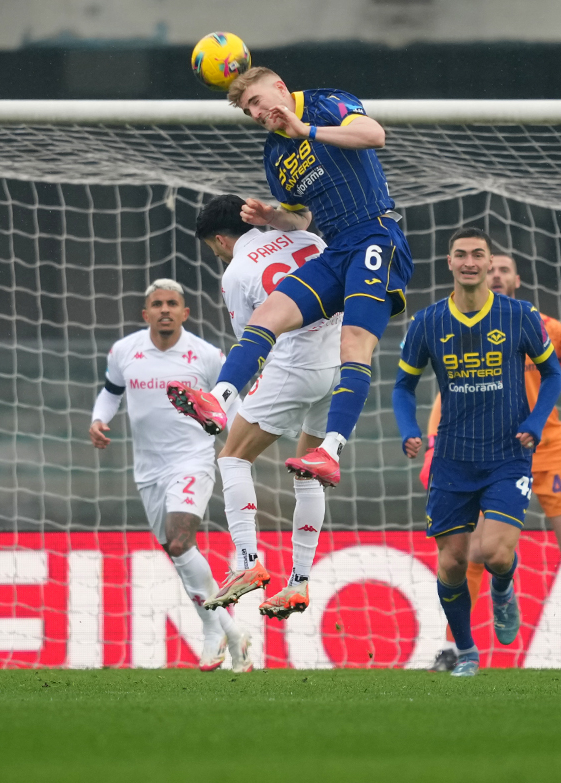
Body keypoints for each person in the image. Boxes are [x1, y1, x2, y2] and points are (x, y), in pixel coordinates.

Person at [167, 66, 412, 490]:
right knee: (269, 313)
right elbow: (302, 217)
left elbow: (374, 135)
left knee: (353, 343)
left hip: (376, 235)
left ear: (280, 87)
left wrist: (307, 130)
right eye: (248, 111)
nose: (257, 113)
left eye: (258, 101)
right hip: (336, 249)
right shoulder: (275, 155)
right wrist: (273, 217)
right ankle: (218, 400)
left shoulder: (324, 102)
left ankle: (331, 450)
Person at [421, 248, 561, 672]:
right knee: (473, 551)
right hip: (486, 452)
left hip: (548, 451)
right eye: (488, 269)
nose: (493, 274)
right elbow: (448, 392)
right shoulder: (465, 327)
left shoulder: (545, 328)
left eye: (501, 269)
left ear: (517, 279)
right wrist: (434, 443)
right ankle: (455, 647)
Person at [393, 228, 561, 677]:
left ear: (490, 264)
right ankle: (467, 652)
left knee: (495, 555)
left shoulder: (520, 315)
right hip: (452, 457)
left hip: (508, 454)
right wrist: (410, 430)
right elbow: (403, 386)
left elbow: (553, 376)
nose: (470, 262)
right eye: (461, 255)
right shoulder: (427, 322)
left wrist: (534, 421)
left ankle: (504, 589)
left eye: (478, 255)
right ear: (449, 262)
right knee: (451, 561)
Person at [89, 279, 251, 672]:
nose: (165, 309)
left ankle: (216, 632)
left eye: (172, 303)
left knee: (179, 542)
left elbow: (230, 403)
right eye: (157, 304)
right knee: (175, 550)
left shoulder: (206, 355)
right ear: (146, 314)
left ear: (185, 313)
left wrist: (239, 447)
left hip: (192, 460)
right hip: (148, 469)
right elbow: (111, 391)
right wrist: (98, 419)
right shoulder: (124, 351)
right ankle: (228, 632)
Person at [194, 194, 340, 618]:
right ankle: (299, 582)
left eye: (212, 249)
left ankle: (246, 561)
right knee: (310, 468)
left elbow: (255, 341)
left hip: (296, 365)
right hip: (345, 361)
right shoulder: (304, 237)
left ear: (220, 240)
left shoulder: (238, 270)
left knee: (233, 456)